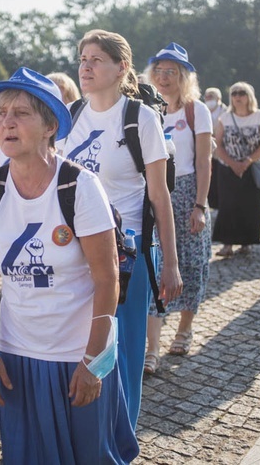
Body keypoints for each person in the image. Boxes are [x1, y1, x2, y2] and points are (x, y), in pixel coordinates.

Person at [0, 67, 139, 463]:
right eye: (2, 112)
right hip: (17, 356)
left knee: (88, 457)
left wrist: (94, 362)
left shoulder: (79, 186)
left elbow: (107, 278)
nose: (7, 122)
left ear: (49, 126)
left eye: (21, 113)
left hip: (76, 354)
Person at [59, 29, 182, 429]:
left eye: (96, 59)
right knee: (82, 347)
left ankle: (122, 440)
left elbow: (160, 198)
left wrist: (170, 264)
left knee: (123, 353)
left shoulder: (140, 118)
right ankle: (87, 436)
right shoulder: (71, 116)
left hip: (126, 257)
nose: (86, 66)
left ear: (121, 67)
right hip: (74, 256)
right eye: (82, 59)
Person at [143, 44, 212, 373]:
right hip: (154, 194)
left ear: (184, 77)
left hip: (187, 193)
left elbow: (203, 161)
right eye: (159, 71)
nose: (163, 77)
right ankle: (152, 348)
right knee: (155, 266)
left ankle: (185, 328)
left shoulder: (195, 110)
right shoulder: (144, 109)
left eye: (171, 72)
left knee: (192, 264)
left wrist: (199, 205)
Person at [213, 82, 260, 257]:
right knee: (227, 206)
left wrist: (247, 161)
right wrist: (233, 163)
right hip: (227, 169)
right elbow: (218, 144)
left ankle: (247, 242)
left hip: (251, 169)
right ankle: (227, 243)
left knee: (250, 207)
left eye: (242, 93)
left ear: (249, 96)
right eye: (234, 93)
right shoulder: (225, 118)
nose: (238, 96)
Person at [204, 87, 226, 211]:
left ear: (218, 98)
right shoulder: (203, 109)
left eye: (211, 96)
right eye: (207, 96)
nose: (209, 99)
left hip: (221, 149)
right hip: (207, 150)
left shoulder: (225, 111)